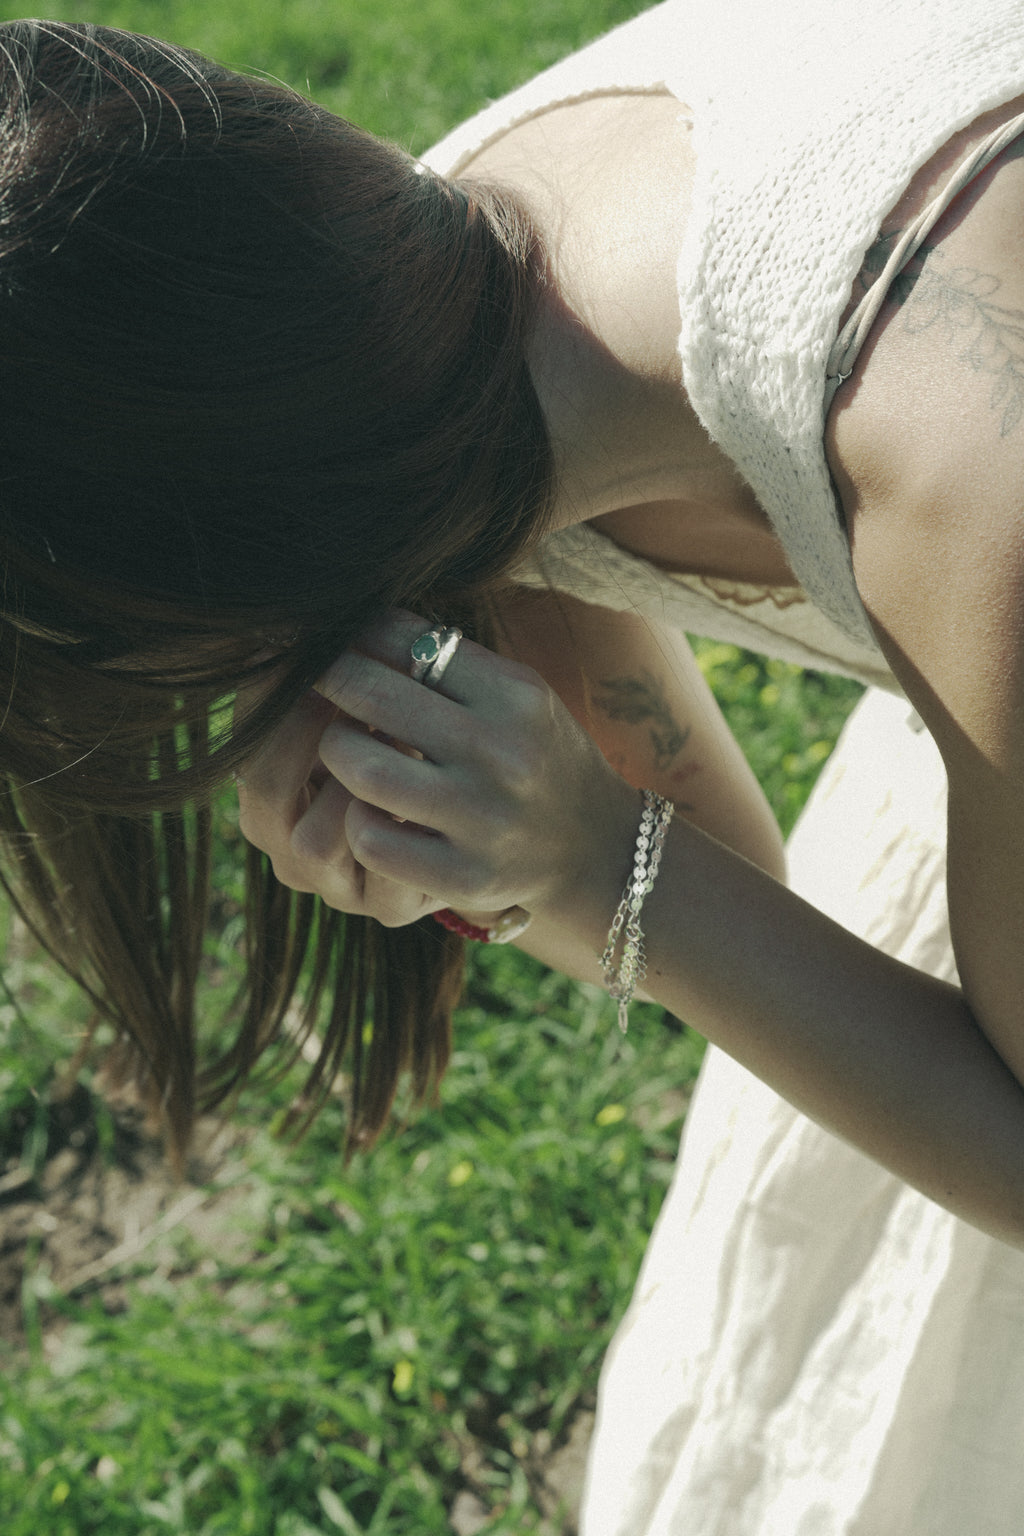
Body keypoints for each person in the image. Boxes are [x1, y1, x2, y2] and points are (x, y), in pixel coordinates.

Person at [2, 4, 1024, 1531]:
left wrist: (593, 866)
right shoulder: (426, 337)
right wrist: (518, 844)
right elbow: (733, 873)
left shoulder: (966, 445)